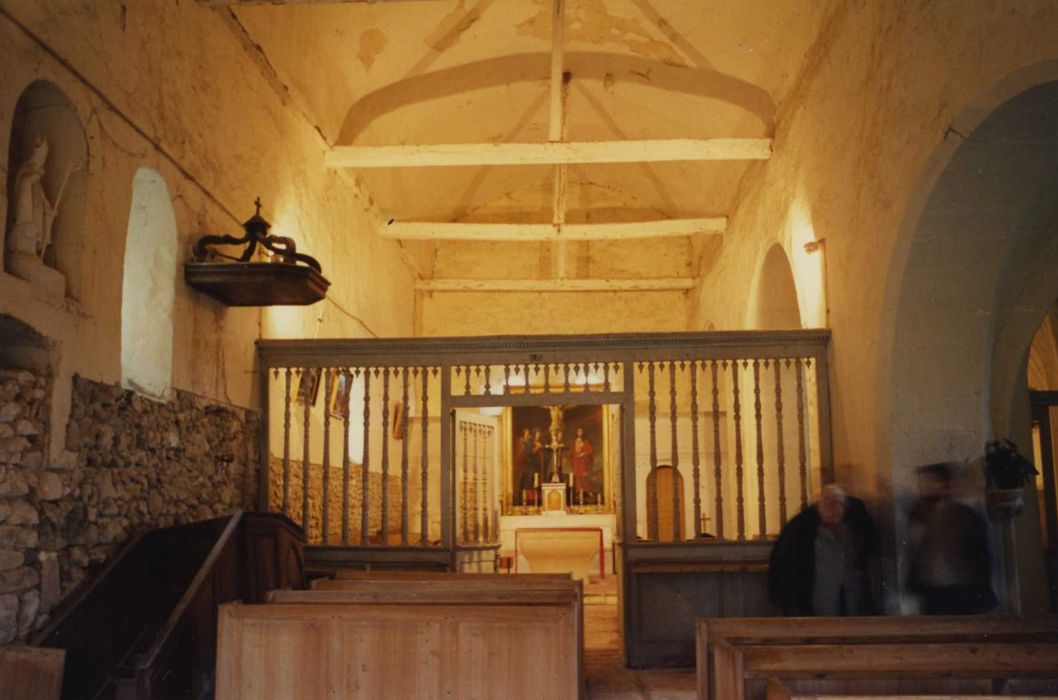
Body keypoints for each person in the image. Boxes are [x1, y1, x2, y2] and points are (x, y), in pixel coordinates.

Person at [767, 484, 879, 616]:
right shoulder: (801, 530)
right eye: (829, 503)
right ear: (819, 506)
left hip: (851, 601)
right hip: (818, 603)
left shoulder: (853, 529)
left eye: (839, 504)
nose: (835, 509)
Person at [906, 462, 997, 614]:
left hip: (960, 588)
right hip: (933, 589)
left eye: (930, 482)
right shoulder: (920, 514)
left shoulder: (965, 515)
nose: (924, 487)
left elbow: (980, 555)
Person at [570, 427, 595, 494]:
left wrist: (584, 454)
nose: (579, 432)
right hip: (576, 463)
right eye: (578, 431)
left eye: (581, 431)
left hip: (583, 463)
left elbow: (591, 451)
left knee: (584, 478)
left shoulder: (585, 442)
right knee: (578, 478)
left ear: (583, 432)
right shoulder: (575, 441)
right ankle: (579, 493)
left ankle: (587, 492)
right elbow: (571, 452)